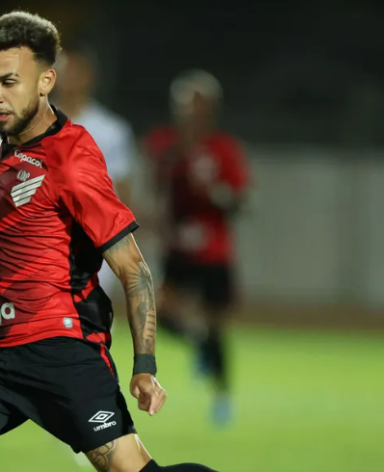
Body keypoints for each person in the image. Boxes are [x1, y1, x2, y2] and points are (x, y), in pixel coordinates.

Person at [0, 11, 220, 472]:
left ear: (46, 81)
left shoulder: (73, 160)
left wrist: (145, 364)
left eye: (8, 82)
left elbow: (134, 270)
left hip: (61, 355)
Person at [142, 70, 249, 427]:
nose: (190, 112)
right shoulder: (165, 144)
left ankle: (222, 397)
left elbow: (239, 202)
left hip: (214, 252)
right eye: (185, 104)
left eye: (197, 104)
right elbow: (156, 185)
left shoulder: (224, 149)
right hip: (178, 249)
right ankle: (197, 343)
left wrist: (216, 191)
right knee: (157, 310)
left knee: (216, 325)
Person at [54, 41, 137, 302]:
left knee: (92, 327)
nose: (69, 78)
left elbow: (122, 194)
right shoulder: (32, 123)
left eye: (75, 71)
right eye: (64, 70)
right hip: (45, 240)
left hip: (93, 243)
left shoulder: (111, 130)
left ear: (89, 76)